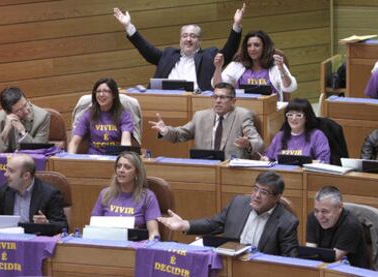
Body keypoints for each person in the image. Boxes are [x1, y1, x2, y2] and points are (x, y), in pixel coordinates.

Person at [158, 171, 299, 256]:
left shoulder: (287, 222)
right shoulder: (238, 203)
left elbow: (289, 260)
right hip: (231, 265)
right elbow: (214, 224)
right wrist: (185, 225)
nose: (256, 195)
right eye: (255, 189)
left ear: (277, 197)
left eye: (264, 192)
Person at [113, 4, 246, 91]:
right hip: (165, 100)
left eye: (193, 36)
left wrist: (236, 25)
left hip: (196, 102)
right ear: (180, 39)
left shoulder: (209, 55)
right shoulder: (169, 54)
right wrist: (128, 27)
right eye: (185, 36)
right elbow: (147, 51)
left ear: (200, 40)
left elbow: (228, 52)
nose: (188, 39)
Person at [149, 82, 264, 159]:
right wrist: (165, 130)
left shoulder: (242, 115)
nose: (218, 101)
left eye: (222, 97)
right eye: (215, 97)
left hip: (231, 169)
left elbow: (259, 143)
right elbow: (179, 135)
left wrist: (248, 144)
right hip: (204, 167)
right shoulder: (200, 116)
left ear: (233, 101)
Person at [0, 154, 68, 231]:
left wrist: (47, 223)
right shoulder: (4, 191)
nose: (5, 174)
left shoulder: (49, 194)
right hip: (10, 241)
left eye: (11, 171)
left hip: (35, 243)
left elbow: (63, 226)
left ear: (26, 176)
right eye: (6, 170)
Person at [91, 151, 161, 240]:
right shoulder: (105, 194)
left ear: (137, 173)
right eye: (118, 166)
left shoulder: (148, 197)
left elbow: (153, 233)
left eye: (127, 167)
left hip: (135, 247)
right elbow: (93, 229)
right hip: (107, 245)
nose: (121, 170)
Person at [212, 30, 297, 101]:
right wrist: (218, 68)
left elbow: (290, 88)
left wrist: (282, 69)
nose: (252, 49)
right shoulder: (237, 65)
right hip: (242, 110)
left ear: (265, 47)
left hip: (270, 110)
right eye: (249, 45)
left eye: (256, 45)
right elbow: (218, 86)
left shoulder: (275, 66)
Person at [306, 186, 369, 268]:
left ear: (339, 207)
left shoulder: (351, 225)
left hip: (350, 272)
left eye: (325, 211)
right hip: (323, 268)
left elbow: (333, 258)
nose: (320, 216)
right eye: (316, 210)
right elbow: (309, 253)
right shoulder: (313, 217)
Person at [68, 78, 134, 155]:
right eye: (98, 91)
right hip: (93, 158)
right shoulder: (88, 114)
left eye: (106, 91)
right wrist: (70, 161)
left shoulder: (124, 115)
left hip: (114, 158)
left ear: (114, 95)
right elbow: (74, 142)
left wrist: (122, 160)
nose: (101, 94)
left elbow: (125, 142)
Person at [262, 98, 330, 163]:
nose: (293, 118)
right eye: (290, 115)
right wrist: (265, 159)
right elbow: (269, 157)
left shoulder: (317, 136)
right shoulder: (280, 136)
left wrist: (304, 162)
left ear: (307, 118)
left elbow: (324, 161)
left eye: (298, 115)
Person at [0, 86, 50, 153]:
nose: (26, 111)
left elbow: (39, 151)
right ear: (7, 112)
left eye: (25, 105)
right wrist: (5, 131)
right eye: (19, 110)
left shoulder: (42, 117)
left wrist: (22, 131)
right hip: (7, 162)